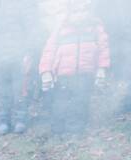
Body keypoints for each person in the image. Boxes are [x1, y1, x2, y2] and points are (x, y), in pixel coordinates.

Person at [38, 0, 110, 135]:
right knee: (61, 102)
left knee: (81, 102)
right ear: (70, 12)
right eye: (77, 11)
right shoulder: (61, 28)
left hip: (85, 73)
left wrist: (102, 69)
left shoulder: (95, 27)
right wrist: (46, 71)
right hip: (63, 74)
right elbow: (49, 50)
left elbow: (103, 50)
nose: (81, 15)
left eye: (84, 11)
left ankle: (75, 131)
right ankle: (58, 129)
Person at [0, 0, 41, 135]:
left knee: (21, 89)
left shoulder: (23, 5)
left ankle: (21, 119)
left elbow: (32, 30)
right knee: (3, 90)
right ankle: (4, 120)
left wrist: (29, 52)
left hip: (20, 55)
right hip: (1, 56)